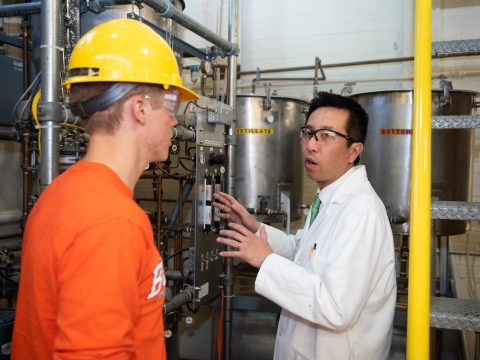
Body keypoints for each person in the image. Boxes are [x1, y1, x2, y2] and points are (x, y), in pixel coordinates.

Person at [11, 18, 199, 359]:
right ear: (139, 109)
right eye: (170, 105)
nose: (175, 120)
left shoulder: (59, 194)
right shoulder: (113, 222)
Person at [214, 92, 396, 359]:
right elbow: (302, 251)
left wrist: (266, 260)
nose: (311, 145)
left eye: (326, 135)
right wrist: (255, 227)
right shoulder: (328, 197)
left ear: (354, 151)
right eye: (308, 133)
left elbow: (336, 309)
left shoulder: (361, 212)